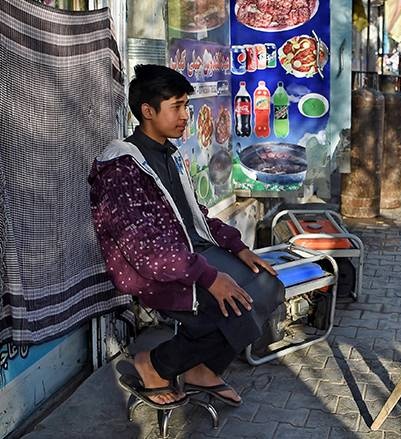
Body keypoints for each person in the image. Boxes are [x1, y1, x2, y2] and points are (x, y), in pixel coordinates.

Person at [88, 64, 285, 408]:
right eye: (176, 107)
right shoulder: (122, 167)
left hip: (194, 255)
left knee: (269, 285)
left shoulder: (170, 154)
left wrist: (238, 248)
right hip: (157, 272)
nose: (185, 117)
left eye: (185, 107)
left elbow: (197, 215)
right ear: (147, 111)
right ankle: (154, 364)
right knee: (237, 309)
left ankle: (201, 369)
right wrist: (209, 277)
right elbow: (144, 249)